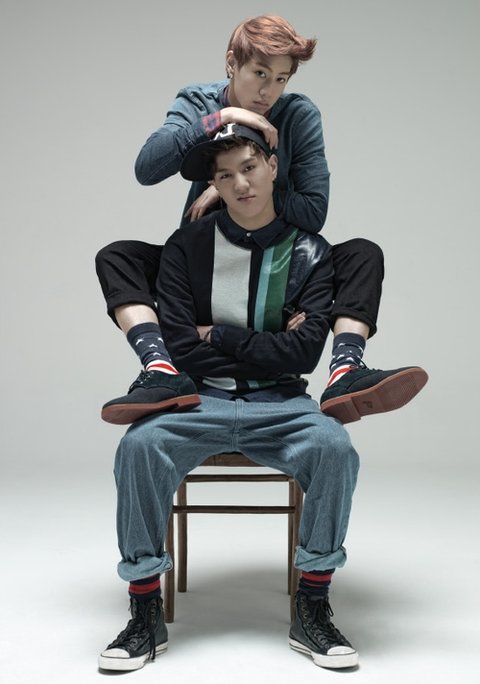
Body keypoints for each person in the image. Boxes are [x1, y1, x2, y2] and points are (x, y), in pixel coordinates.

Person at [98, 124, 361, 673]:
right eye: (225, 176)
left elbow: (303, 355)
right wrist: (267, 344)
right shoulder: (186, 246)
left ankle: (312, 604)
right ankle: (144, 609)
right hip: (198, 401)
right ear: (212, 186)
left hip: (283, 404)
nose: (240, 184)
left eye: (249, 168)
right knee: (138, 447)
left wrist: (216, 334)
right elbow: (180, 349)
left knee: (335, 448)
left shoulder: (312, 252)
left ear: (272, 166)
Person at [95, 14, 428, 426]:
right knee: (118, 257)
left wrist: (232, 187)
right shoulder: (198, 102)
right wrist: (220, 120)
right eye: (260, 74)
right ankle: (160, 369)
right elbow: (147, 169)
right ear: (231, 63)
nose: (268, 91)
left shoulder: (297, 115)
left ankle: (345, 369)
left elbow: (313, 211)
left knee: (362, 254)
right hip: (205, 266)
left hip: (278, 264)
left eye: (281, 79)